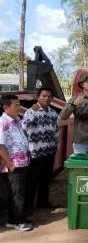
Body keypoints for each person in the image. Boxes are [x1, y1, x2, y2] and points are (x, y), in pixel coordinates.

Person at [23, 88, 59, 212]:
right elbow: (24, 126)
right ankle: (28, 206)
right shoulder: (30, 111)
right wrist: (33, 112)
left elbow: (56, 131)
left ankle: (43, 203)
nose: (46, 98)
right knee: (32, 180)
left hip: (49, 151)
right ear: (38, 97)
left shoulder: (53, 113)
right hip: (35, 152)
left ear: (52, 98)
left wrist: (55, 146)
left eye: (49, 96)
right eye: (43, 96)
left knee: (46, 179)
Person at [0, 95, 32, 232]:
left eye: (19, 105)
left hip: (22, 163)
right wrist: (9, 164)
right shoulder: (2, 122)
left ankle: (13, 220)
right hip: (12, 165)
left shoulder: (17, 120)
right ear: (6, 107)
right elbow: (0, 146)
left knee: (19, 192)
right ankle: (19, 222)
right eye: (16, 105)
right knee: (16, 194)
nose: (19, 108)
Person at [59, 73, 88, 154]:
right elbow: (63, 116)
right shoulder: (75, 99)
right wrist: (73, 105)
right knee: (81, 166)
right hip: (80, 142)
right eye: (87, 81)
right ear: (82, 84)